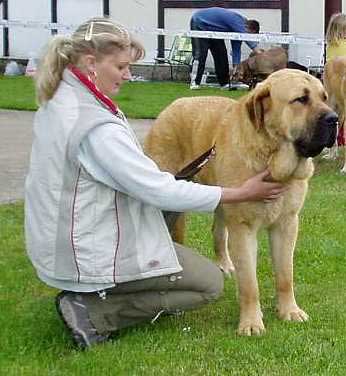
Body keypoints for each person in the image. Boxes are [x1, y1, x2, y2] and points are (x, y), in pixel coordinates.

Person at [25, 17, 285, 349]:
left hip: (59, 244)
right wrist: (239, 193)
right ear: (91, 63)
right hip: (87, 253)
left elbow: (137, 178)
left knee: (167, 226)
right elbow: (158, 190)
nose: (128, 75)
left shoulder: (60, 100)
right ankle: (95, 309)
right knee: (208, 284)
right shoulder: (95, 128)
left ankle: (99, 289)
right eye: (120, 66)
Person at [189, 6, 260, 90]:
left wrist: (235, 67)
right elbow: (248, 40)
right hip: (199, 23)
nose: (249, 36)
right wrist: (258, 51)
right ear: (250, 29)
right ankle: (195, 82)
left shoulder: (238, 29)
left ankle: (224, 83)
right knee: (200, 54)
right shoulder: (239, 22)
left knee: (221, 55)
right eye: (251, 35)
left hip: (214, 29)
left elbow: (236, 49)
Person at [325, 13, 346, 148]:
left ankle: (333, 145)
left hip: (335, 81)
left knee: (333, 113)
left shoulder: (331, 45)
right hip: (337, 80)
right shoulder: (340, 45)